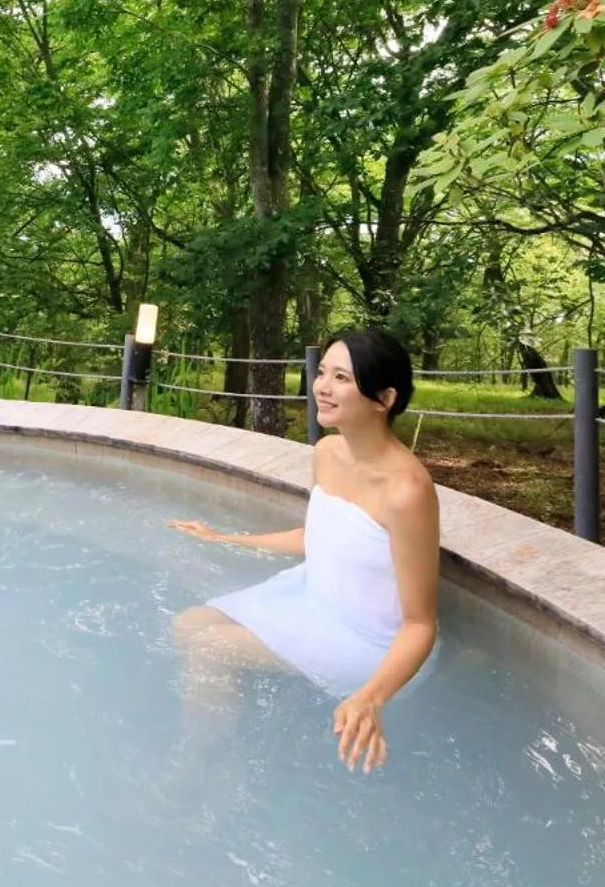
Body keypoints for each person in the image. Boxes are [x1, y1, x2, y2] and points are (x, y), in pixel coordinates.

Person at [168, 329, 440, 774]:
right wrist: (223, 538)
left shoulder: (406, 492)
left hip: (367, 640)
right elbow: (318, 537)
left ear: (384, 398)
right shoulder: (328, 452)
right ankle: (232, 742)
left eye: (342, 378)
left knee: (213, 648)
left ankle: (202, 774)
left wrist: (371, 698)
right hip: (312, 596)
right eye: (321, 373)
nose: (321, 387)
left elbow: (420, 623)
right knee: (187, 624)